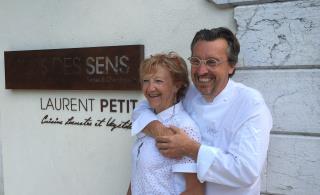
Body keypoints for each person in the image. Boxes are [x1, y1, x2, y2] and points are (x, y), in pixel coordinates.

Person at [131, 27, 273, 195]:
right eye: (196, 61)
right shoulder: (190, 92)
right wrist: (162, 132)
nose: (201, 71)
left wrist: (190, 148)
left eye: (211, 62)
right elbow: (142, 108)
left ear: (231, 66)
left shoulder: (250, 104)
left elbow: (245, 171)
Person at [127, 52, 204, 195]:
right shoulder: (147, 119)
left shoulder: (184, 128)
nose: (150, 88)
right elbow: (138, 175)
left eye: (158, 81)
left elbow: (195, 190)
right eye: (146, 81)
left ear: (176, 86)